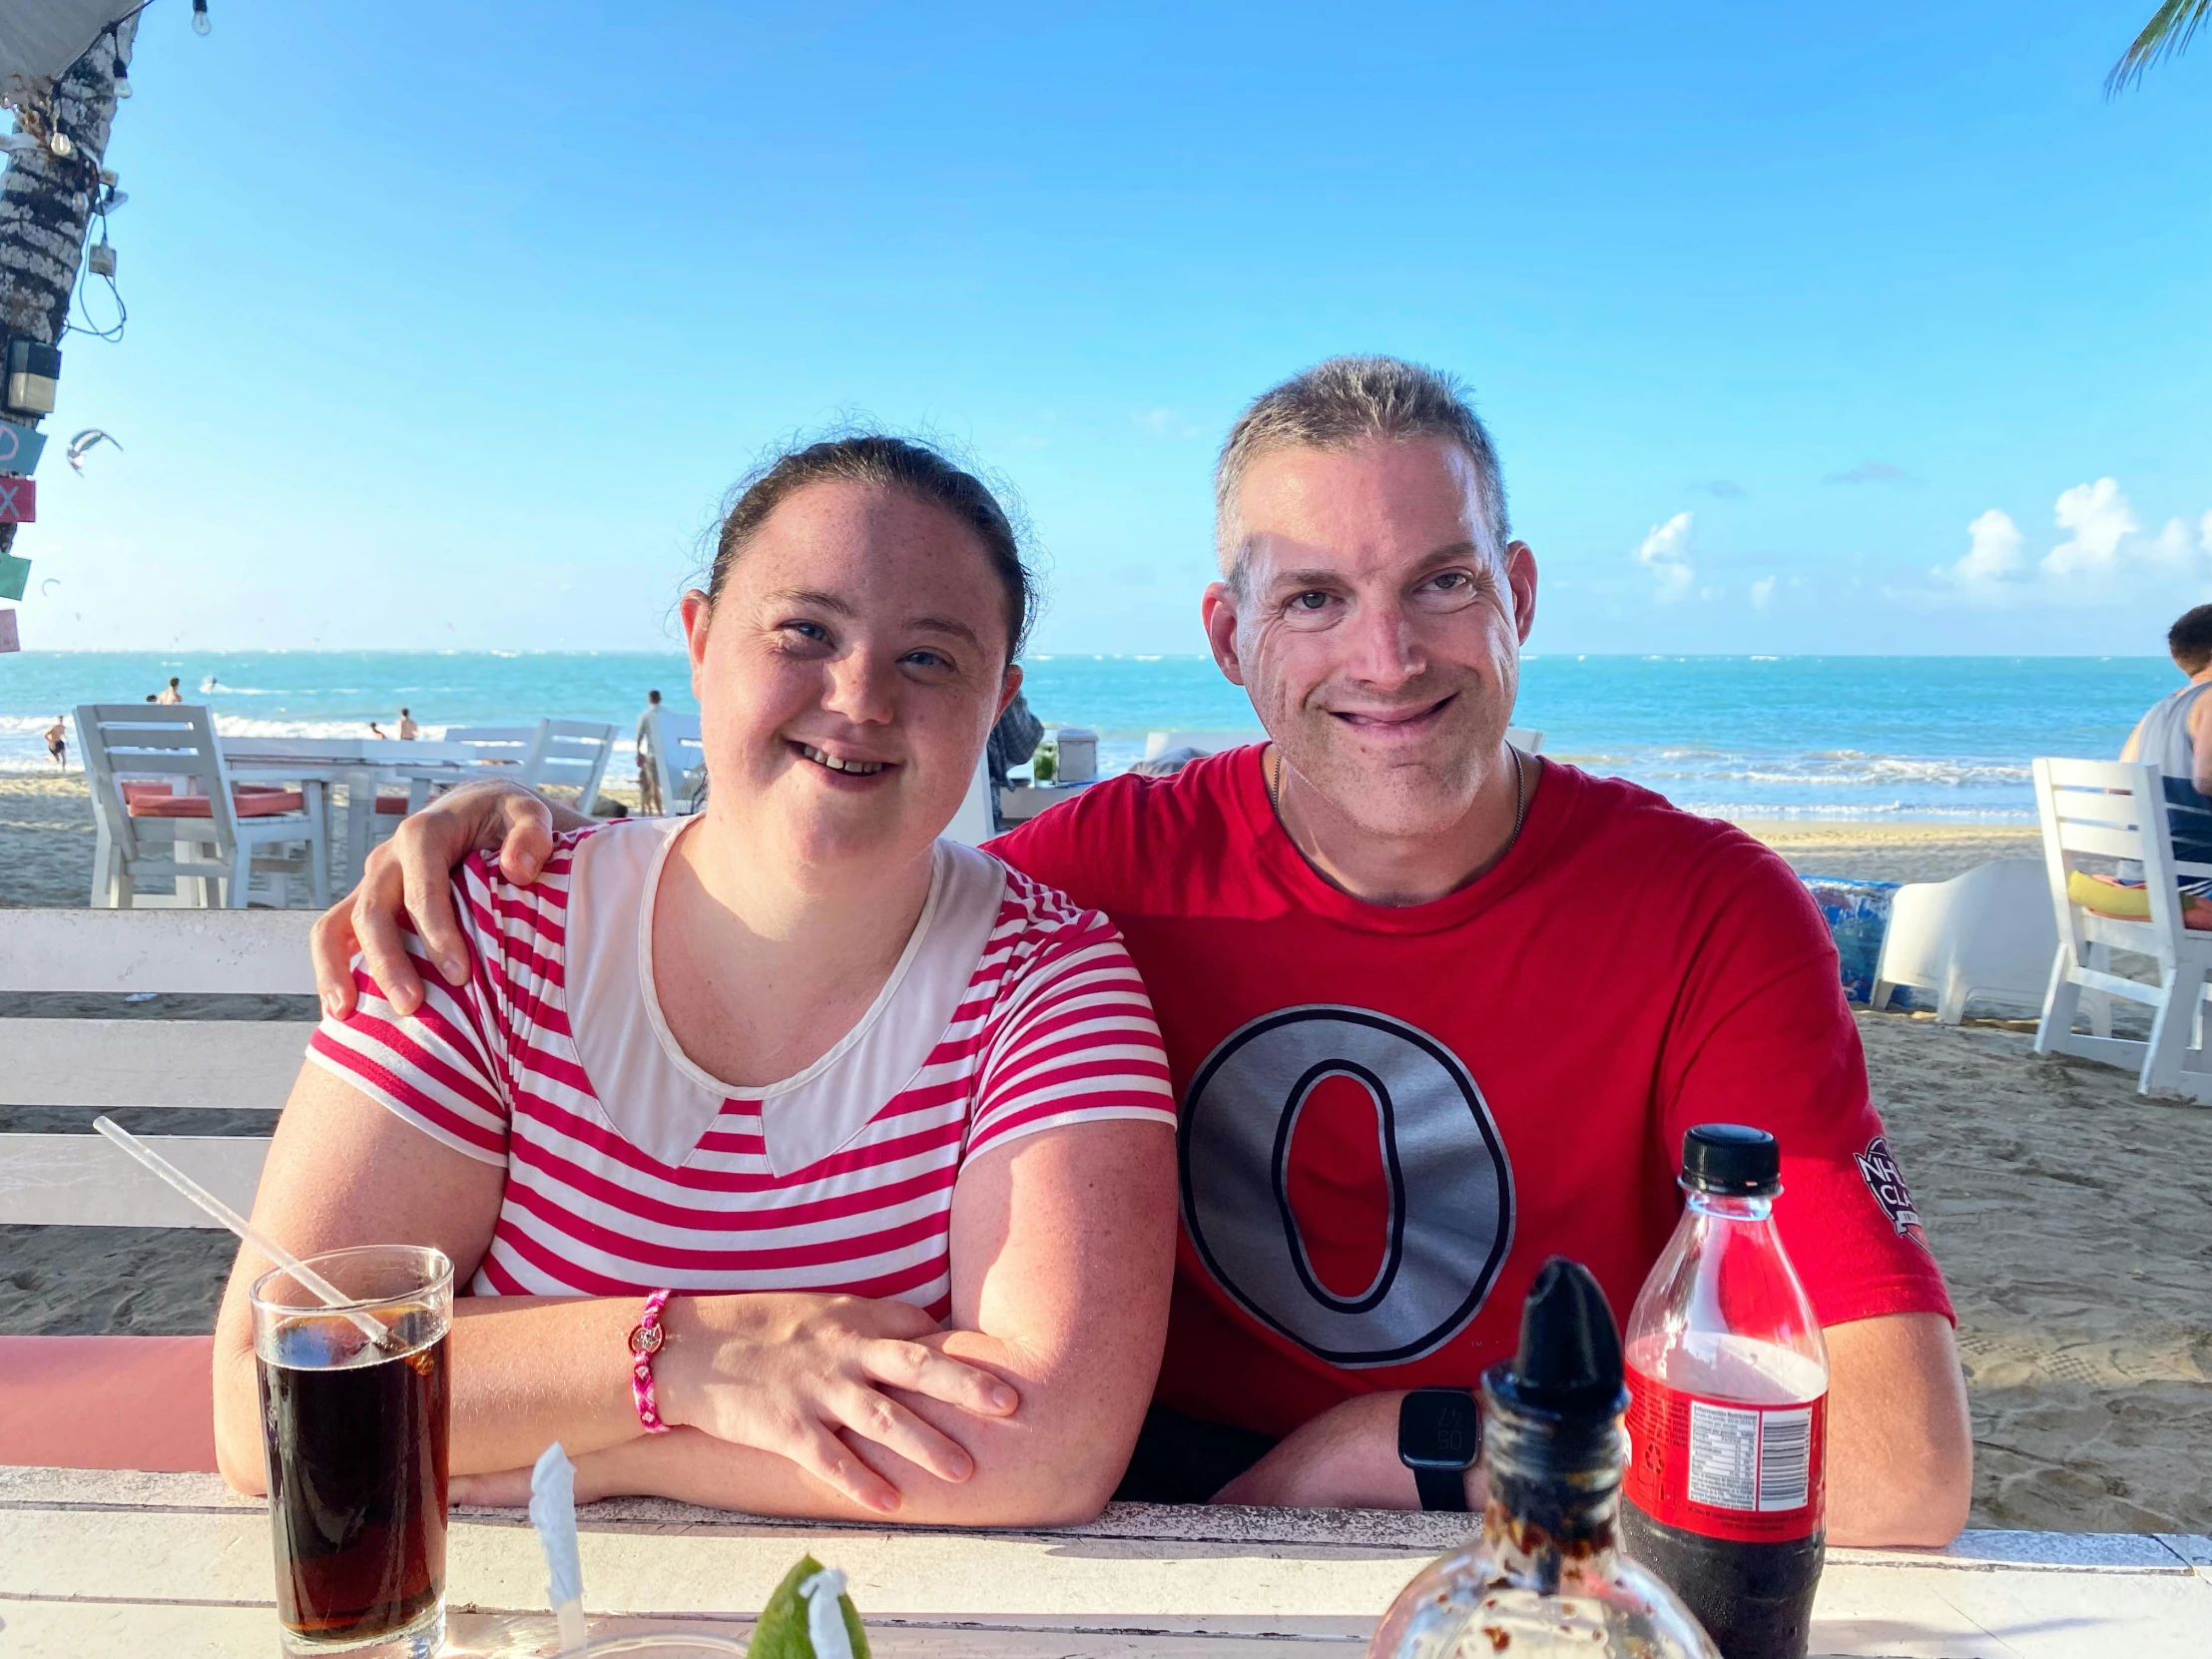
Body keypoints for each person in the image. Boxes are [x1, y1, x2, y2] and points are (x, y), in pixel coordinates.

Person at [315, 360, 1972, 1546]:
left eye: (1442, 583)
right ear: (1225, 635)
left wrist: (1390, 1443)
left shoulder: (1705, 909)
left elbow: (1898, 1462)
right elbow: (829, 856)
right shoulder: (1104, 871)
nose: (1387, 658)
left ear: (1519, 595)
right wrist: (531, 835)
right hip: (1135, 1503)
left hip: (1541, 1512)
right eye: (1312, 598)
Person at [220, 434, 1178, 1526]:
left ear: (994, 701)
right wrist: (688, 1356)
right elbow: (278, 1395)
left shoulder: (1050, 981)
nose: (858, 697)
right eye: (804, 632)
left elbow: (1043, 1447)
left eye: (929, 658)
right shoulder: (480, 924)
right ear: (701, 640)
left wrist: (589, 1458)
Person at [2118, 604, 2212, 881]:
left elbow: (2120, 784)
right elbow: (2206, 780)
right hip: (2194, 878)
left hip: (2139, 878)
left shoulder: (2159, 709)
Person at [636, 688, 665, 815]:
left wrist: (638, 753)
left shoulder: (646, 715)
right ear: (660, 699)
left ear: (649, 699)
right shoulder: (668, 714)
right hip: (668, 755)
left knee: (655, 785)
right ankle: (667, 811)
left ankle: (660, 814)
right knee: (667, 785)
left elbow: (640, 736)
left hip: (653, 755)